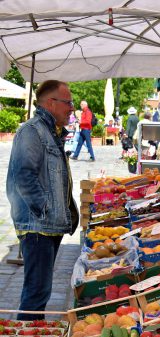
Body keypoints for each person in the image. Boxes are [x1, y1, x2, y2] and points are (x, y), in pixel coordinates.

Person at [6, 79, 79, 319]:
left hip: (47, 224)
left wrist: (67, 211)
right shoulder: (32, 130)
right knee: (36, 292)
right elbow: (24, 176)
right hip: (38, 225)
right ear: (51, 103)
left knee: (40, 290)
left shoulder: (51, 131)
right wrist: (45, 210)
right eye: (67, 102)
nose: (71, 108)